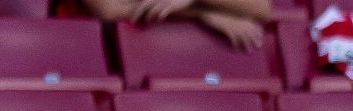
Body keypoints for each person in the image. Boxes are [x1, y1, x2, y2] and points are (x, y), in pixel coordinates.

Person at [56, 0, 272, 51]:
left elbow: (261, 7)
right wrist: (202, 13)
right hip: (92, 52)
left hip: (177, 58)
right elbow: (109, 9)